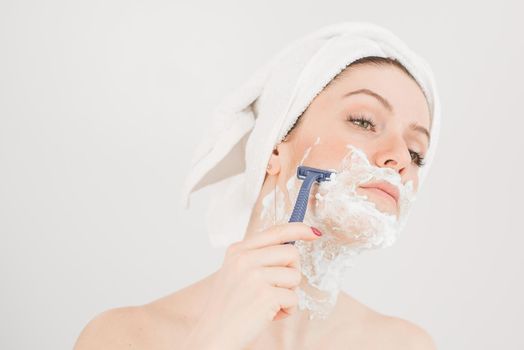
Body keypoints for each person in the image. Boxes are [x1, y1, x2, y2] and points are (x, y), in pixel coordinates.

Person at [74, 22, 440, 350]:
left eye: (417, 152)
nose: (401, 159)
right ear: (274, 148)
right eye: (363, 121)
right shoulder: (122, 337)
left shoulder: (407, 345)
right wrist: (214, 340)